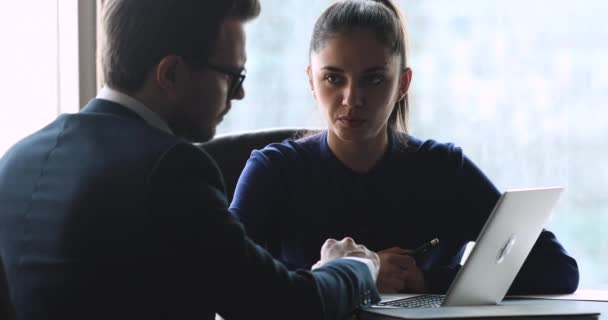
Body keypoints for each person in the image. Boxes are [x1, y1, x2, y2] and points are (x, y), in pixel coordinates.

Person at [0, 1, 382, 319]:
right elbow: (282, 306)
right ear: (171, 74)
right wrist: (355, 267)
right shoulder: (168, 169)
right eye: (233, 75)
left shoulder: (17, 159)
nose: (242, 93)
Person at [230, 0, 579, 294]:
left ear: (403, 84)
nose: (352, 99)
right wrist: (350, 275)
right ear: (311, 80)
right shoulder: (273, 172)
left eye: (374, 79)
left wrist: (427, 280)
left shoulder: (443, 169)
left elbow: (558, 270)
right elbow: (226, 283)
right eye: (333, 78)